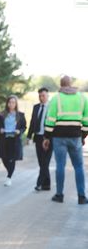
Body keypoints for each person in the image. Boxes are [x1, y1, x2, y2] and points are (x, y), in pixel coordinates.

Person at [43, 75, 88, 204]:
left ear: (61, 85)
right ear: (71, 84)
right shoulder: (82, 98)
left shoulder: (56, 99)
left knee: (60, 166)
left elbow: (50, 120)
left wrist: (47, 137)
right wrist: (83, 136)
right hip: (75, 136)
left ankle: (59, 195)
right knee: (79, 166)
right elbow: (86, 120)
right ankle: (81, 196)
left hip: (59, 137)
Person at [0, 95, 26, 186]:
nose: (11, 104)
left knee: (12, 159)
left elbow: (23, 127)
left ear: (16, 104)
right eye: (9, 102)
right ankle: (10, 171)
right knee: (4, 158)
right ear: (7, 103)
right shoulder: (2, 114)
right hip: (4, 139)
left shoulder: (20, 115)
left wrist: (19, 131)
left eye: (13, 102)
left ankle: (9, 177)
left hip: (15, 140)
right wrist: (0, 129)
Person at [27, 87, 52, 191]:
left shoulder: (52, 107)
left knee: (45, 161)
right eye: (40, 96)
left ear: (48, 96)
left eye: (43, 96)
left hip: (48, 138)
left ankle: (39, 184)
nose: (41, 98)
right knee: (41, 161)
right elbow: (32, 122)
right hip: (38, 137)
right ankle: (47, 185)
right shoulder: (36, 107)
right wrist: (29, 136)